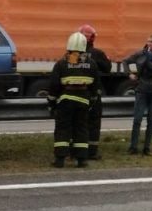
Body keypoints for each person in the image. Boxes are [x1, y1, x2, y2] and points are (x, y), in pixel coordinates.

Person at [47, 32, 103, 168]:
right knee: (82, 129)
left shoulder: (62, 63)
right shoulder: (91, 63)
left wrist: (52, 104)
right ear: (84, 45)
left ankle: (60, 160)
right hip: (83, 101)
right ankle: (82, 160)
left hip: (65, 101)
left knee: (62, 129)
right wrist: (92, 101)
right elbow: (96, 86)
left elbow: (54, 86)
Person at [122, 33, 152, 156]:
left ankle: (147, 148)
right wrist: (129, 74)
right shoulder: (140, 53)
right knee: (137, 119)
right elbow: (125, 61)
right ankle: (133, 147)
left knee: (151, 119)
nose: (149, 44)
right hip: (142, 89)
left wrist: (147, 62)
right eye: (148, 41)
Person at [78, 24, 112, 160]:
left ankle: (76, 150)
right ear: (92, 39)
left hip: (77, 94)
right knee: (93, 123)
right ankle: (91, 152)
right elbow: (107, 68)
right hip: (93, 94)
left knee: (79, 123)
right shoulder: (97, 54)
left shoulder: (72, 55)